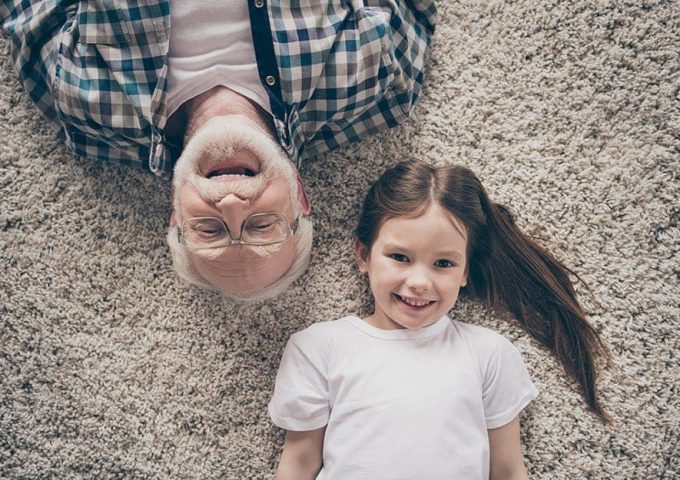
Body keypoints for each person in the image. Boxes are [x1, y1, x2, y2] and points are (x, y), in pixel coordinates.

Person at [0, 0, 435, 300]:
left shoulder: (87, 114)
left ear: (176, 213)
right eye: (261, 225)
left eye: (209, 231)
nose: (230, 205)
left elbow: (26, 13)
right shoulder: (378, 90)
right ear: (300, 196)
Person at [268, 160, 610, 479]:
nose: (419, 282)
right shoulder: (319, 347)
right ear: (363, 255)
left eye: (443, 264)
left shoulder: (488, 354)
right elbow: (299, 461)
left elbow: (506, 469)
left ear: (464, 272)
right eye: (400, 257)